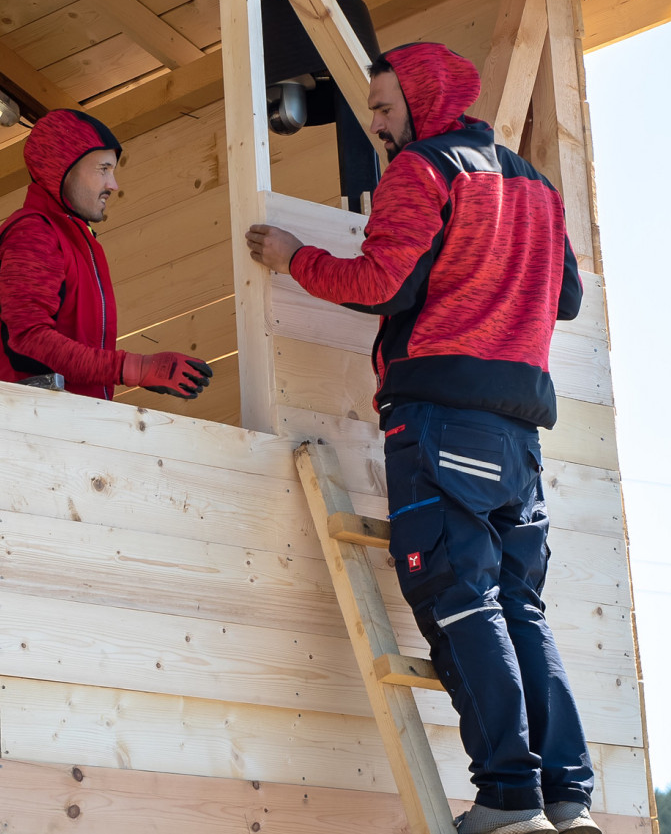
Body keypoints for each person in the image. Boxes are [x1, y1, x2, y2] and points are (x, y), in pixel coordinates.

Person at [245, 43, 597, 834]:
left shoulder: (423, 171)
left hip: (440, 415)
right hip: (519, 434)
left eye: (383, 106)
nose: (375, 125)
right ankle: (568, 797)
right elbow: (566, 296)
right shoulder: (533, 185)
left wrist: (294, 255)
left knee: (461, 600)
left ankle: (508, 796)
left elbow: (380, 283)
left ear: (427, 98)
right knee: (520, 604)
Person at [0, 108, 212, 402]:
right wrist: (134, 368)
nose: (113, 185)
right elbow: (28, 340)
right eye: (103, 169)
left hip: (57, 422)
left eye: (113, 171)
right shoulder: (34, 233)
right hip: (24, 422)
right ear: (60, 169)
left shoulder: (75, 241)